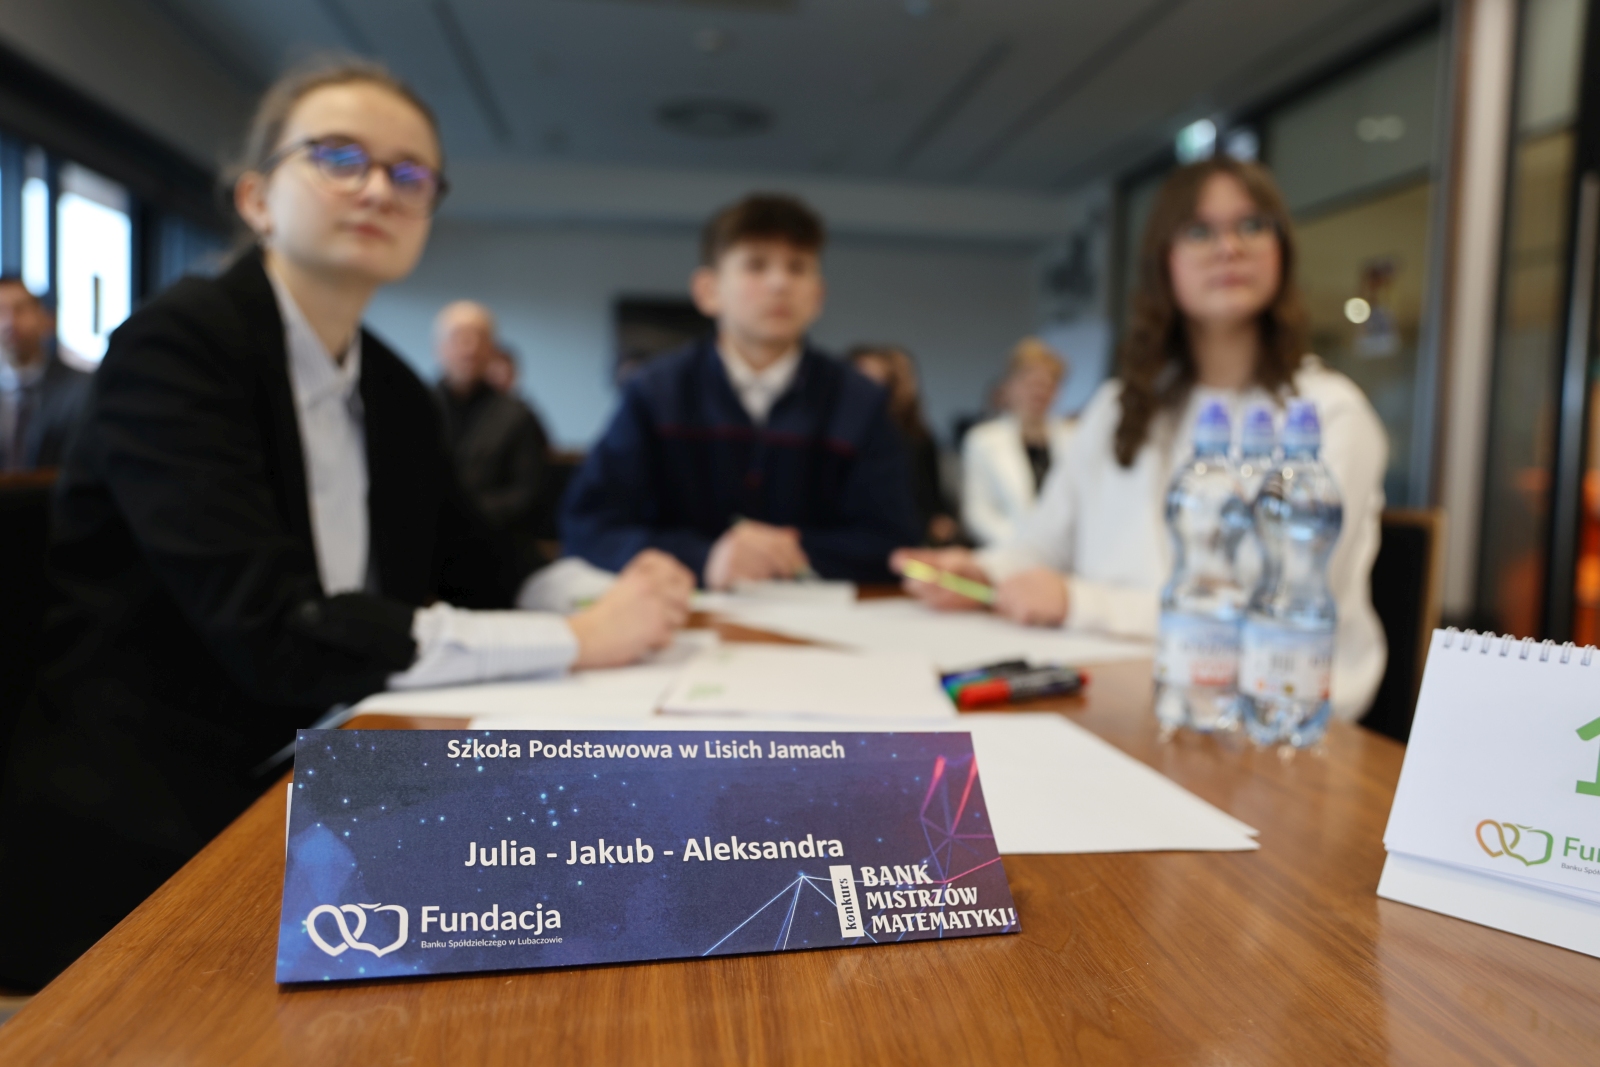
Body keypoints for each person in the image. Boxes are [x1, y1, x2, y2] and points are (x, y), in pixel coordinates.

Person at [0, 59, 692, 991]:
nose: (378, 189)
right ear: (255, 197)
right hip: (154, 817)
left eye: (411, 173)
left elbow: (485, 561)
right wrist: (580, 638)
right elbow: (277, 628)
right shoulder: (175, 347)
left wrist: (616, 592)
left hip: (335, 772)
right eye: (338, 157)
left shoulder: (394, 386)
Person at [896, 157, 1387, 722]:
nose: (1229, 248)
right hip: (1115, 691)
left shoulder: (1328, 414)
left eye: (1252, 226)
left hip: (1271, 716)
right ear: (1162, 260)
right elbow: (1043, 544)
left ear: (1282, 250)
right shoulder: (1118, 407)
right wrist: (983, 574)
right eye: (1199, 231)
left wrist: (1077, 602)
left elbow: (1268, 608)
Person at [561, 193, 919, 589]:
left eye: (797, 267)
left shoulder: (860, 400)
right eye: (756, 265)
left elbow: (893, 541)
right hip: (681, 609)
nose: (780, 283)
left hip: (820, 612)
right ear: (708, 291)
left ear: (818, 295)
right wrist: (706, 558)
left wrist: (790, 551)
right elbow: (587, 526)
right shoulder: (655, 392)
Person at [434, 300, 552, 576]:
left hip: (494, 554)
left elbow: (528, 494)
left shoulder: (518, 416)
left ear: (492, 349)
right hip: (428, 549)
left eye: (480, 338)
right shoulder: (418, 407)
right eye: (459, 338)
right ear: (440, 348)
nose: (470, 348)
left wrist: (465, 517)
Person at [960, 338, 1076, 547]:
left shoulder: (1074, 437)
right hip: (1007, 552)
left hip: (1065, 551)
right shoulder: (983, 440)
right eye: (1032, 383)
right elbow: (978, 515)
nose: (1039, 392)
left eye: (1048, 384)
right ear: (1011, 386)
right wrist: (1026, 547)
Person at [847, 343, 959, 546]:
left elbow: (930, 498)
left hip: (909, 535)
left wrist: (938, 521)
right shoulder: (833, 437)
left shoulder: (914, 438)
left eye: (883, 380)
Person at [0, 276, 90, 471]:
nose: (9, 322)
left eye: (20, 310)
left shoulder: (83, 389)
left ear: (47, 319)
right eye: (0, 311)